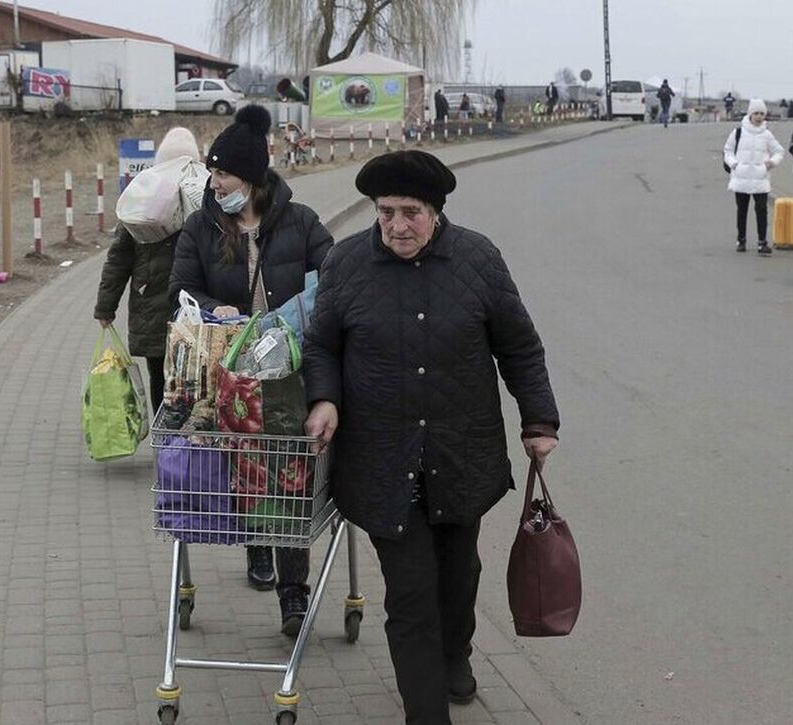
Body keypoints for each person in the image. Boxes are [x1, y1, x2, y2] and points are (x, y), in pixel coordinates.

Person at [303, 150, 560, 724]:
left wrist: (539, 420)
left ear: (436, 212)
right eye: (385, 212)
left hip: (459, 450)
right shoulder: (345, 265)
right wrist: (324, 398)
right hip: (379, 458)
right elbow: (322, 344)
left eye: (410, 212)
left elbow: (519, 346)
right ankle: (426, 711)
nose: (396, 225)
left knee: (458, 572)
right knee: (412, 591)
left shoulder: (478, 259)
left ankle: (455, 655)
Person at [168, 105, 335, 635]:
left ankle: (293, 595)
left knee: (288, 471)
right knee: (245, 463)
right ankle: (255, 545)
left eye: (223, 174)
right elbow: (179, 289)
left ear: (252, 177)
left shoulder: (301, 222)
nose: (214, 182)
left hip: (288, 372)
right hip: (228, 372)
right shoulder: (200, 225)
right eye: (212, 173)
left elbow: (334, 283)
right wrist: (209, 305)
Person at [95, 127, 201, 412]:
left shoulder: (140, 201)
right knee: (193, 375)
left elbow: (119, 258)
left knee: (159, 374)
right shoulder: (203, 196)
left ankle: (163, 440)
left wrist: (106, 307)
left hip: (150, 304)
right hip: (193, 308)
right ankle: (187, 439)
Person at [724, 98, 785, 255]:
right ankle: (741, 239)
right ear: (750, 114)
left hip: (760, 178)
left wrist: (771, 163)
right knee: (742, 210)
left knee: (761, 210)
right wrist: (733, 163)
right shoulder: (738, 132)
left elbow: (779, 151)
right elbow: (728, 150)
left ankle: (762, 242)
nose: (759, 117)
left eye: (762, 113)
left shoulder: (766, 134)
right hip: (741, 177)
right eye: (756, 113)